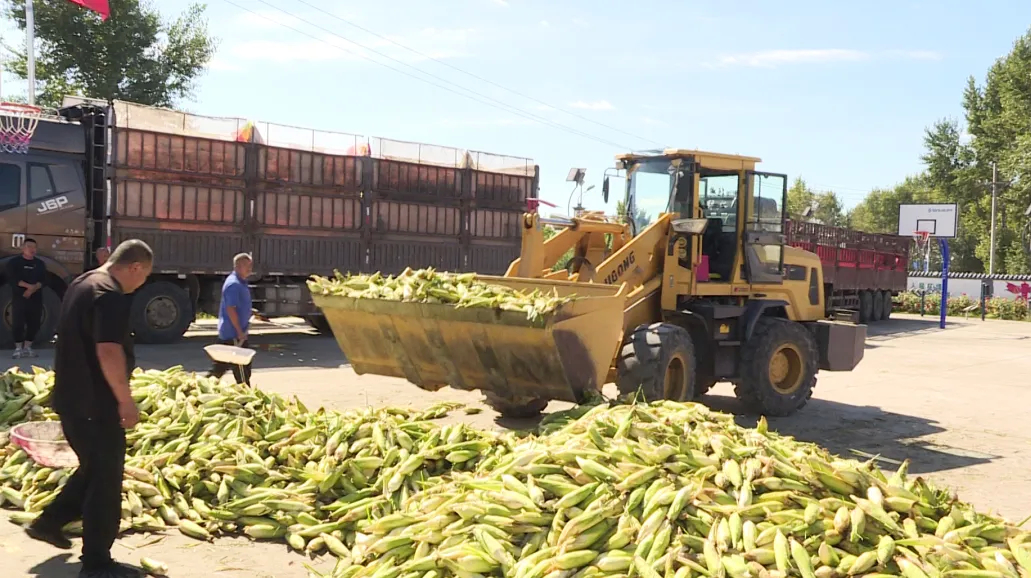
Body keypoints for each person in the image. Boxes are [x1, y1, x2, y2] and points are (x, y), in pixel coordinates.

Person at [24, 239, 153, 578]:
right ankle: (97, 564)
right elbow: (108, 351)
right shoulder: (109, 294)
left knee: (93, 469)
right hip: (97, 406)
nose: (139, 286)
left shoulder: (83, 283)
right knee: (105, 482)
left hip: (72, 400)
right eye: (143, 278)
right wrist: (125, 400)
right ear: (135, 267)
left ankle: (49, 522)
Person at [208, 252, 254, 385]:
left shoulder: (240, 282)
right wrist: (239, 331)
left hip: (235, 334)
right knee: (242, 372)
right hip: (234, 335)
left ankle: (199, 387)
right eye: (247, 266)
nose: (250, 269)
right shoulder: (233, 284)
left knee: (219, 369)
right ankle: (246, 400)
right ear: (239, 266)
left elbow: (237, 305)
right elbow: (230, 309)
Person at [6, 238, 47, 358]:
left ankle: (27, 347)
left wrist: (33, 288)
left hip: (36, 298)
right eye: (29, 246)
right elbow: (12, 278)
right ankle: (18, 348)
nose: (31, 249)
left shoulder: (40, 264)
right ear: (23, 248)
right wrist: (28, 287)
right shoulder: (14, 262)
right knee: (18, 323)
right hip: (20, 297)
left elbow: (44, 280)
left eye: (34, 247)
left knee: (34, 323)